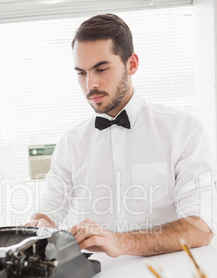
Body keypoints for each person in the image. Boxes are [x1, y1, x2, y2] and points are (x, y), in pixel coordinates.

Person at [26, 13, 217, 257]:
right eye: (81, 73)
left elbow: (201, 227)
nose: (90, 84)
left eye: (101, 68)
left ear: (132, 64)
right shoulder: (71, 143)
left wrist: (121, 242)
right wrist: (39, 224)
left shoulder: (183, 130)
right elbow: (50, 210)